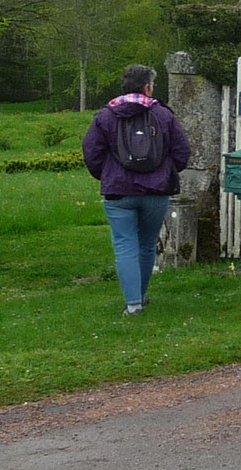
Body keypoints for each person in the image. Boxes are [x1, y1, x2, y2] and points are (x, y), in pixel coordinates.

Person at [81, 64, 192, 316]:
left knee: (125, 245)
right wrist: (165, 172)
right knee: (146, 244)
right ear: (147, 87)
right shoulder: (163, 115)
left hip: (118, 192)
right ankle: (140, 296)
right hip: (156, 192)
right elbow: (181, 152)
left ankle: (133, 305)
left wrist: (107, 175)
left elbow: (91, 152)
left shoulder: (106, 115)